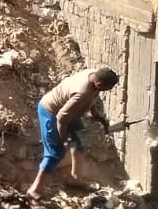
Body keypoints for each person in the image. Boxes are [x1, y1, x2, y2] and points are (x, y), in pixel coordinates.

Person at [25, 67, 119, 200]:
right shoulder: (82, 92)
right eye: (107, 88)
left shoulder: (93, 75)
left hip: (70, 113)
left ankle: (75, 179)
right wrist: (63, 139)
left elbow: (92, 96)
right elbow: (61, 117)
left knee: (79, 142)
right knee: (55, 153)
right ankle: (34, 189)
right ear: (99, 84)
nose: (108, 90)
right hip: (51, 112)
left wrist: (97, 116)